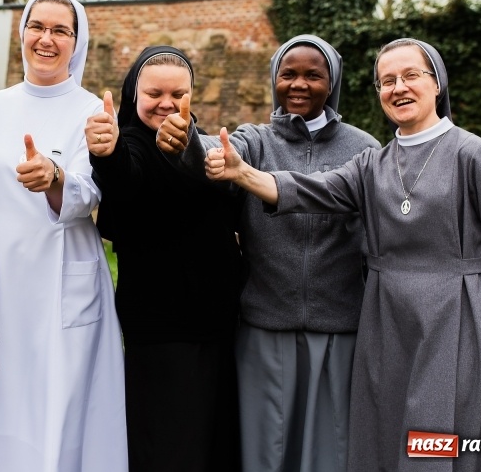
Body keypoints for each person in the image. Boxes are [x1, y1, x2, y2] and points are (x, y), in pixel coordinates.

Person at [201, 38, 481, 471]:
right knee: (387, 431)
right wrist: (242, 172)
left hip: (456, 314)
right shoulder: (372, 163)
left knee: (438, 434)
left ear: (437, 84)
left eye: (410, 76)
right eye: (386, 81)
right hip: (386, 318)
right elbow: (309, 190)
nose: (398, 88)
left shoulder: (475, 155)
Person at [158, 34, 380, 472]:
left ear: (332, 82)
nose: (299, 84)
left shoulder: (364, 148)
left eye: (313, 75)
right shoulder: (254, 140)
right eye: (288, 74)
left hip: (339, 327)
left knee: (331, 451)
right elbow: (217, 154)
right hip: (265, 324)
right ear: (274, 80)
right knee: (266, 451)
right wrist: (186, 140)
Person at [0, 0, 128, 472]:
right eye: (38, 26)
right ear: (23, 34)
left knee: (65, 406)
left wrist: (54, 178)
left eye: (61, 30)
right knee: (5, 405)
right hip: (2, 282)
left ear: (76, 43)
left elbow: (90, 194)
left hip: (66, 283)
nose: (47, 38)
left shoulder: (92, 112)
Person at [85, 46, 243, 471]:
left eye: (179, 93)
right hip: (160, 328)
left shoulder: (208, 145)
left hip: (219, 322)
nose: (167, 103)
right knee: (170, 445)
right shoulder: (130, 142)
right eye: (155, 93)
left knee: (216, 440)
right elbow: (125, 178)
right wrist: (105, 153)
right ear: (134, 94)